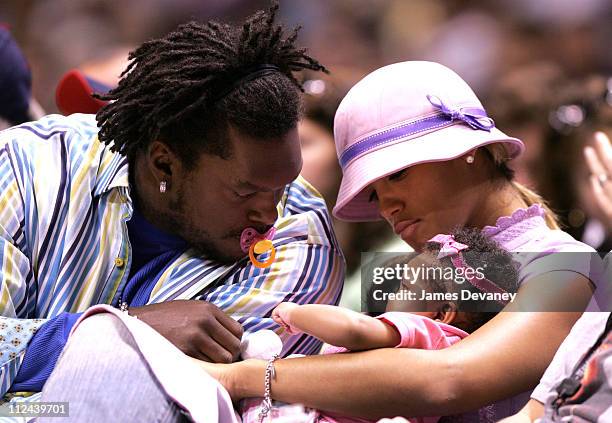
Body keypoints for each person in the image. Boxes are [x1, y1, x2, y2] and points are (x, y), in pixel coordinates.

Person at [194, 61, 603, 422]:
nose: (387, 205)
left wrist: (239, 377)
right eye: (373, 192)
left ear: (469, 151)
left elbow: (449, 379)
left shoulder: (569, 265)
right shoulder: (424, 263)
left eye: (397, 173)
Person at [0, 3, 344, 420]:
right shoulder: (24, 166)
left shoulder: (301, 238)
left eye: (283, 186)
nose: (269, 213)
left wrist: (38, 350)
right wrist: (120, 330)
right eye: (247, 191)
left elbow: (151, 400)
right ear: (165, 164)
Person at [237, 227, 519, 423]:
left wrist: (297, 314)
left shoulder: (426, 333)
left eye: (404, 287)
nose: (393, 295)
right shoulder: (447, 345)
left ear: (443, 312)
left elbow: (353, 329)